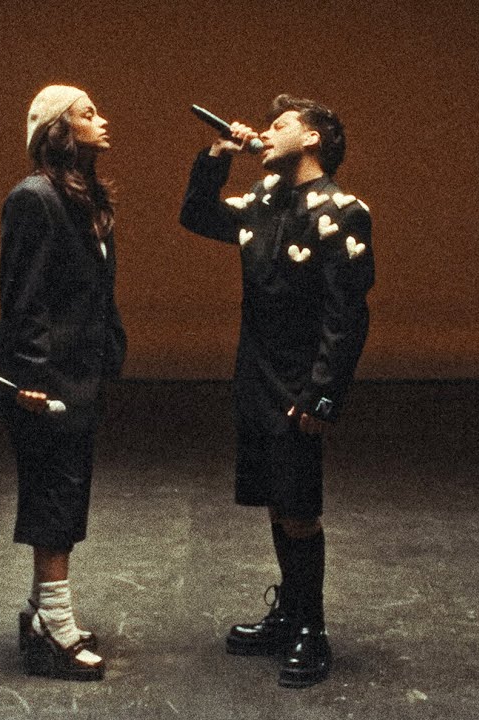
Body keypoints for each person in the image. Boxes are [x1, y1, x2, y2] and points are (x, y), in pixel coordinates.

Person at [180, 95, 374, 688]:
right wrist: (219, 153)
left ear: (312, 139)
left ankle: (313, 629)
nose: (266, 132)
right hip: (256, 376)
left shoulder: (342, 211)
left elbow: (347, 315)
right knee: (275, 500)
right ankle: (288, 614)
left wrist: (323, 394)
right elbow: (196, 215)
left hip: (299, 383)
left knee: (299, 510)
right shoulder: (262, 200)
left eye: (281, 124)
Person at [0, 85, 125, 682]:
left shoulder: (83, 197)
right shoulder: (33, 198)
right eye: (87, 114)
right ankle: (55, 631)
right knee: (54, 499)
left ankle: (43, 615)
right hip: (44, 379)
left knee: (65, 496)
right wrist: (31, 376)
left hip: (79, 372)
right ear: (59, 130)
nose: (102, 120)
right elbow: (23, 296)